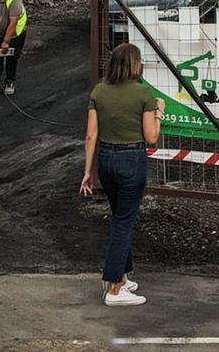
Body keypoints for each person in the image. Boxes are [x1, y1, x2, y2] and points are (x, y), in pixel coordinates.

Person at [79, 44, 164, 307]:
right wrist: (159, 112)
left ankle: (123, 277)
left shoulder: (99, 91)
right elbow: (151, 137)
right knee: (124, 223)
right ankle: (114, 286)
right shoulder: (144, 94)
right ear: (135, 65)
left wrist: (87, 172)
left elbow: (91, 135)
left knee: (119, 216)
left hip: (106, 159)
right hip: (131, 159)